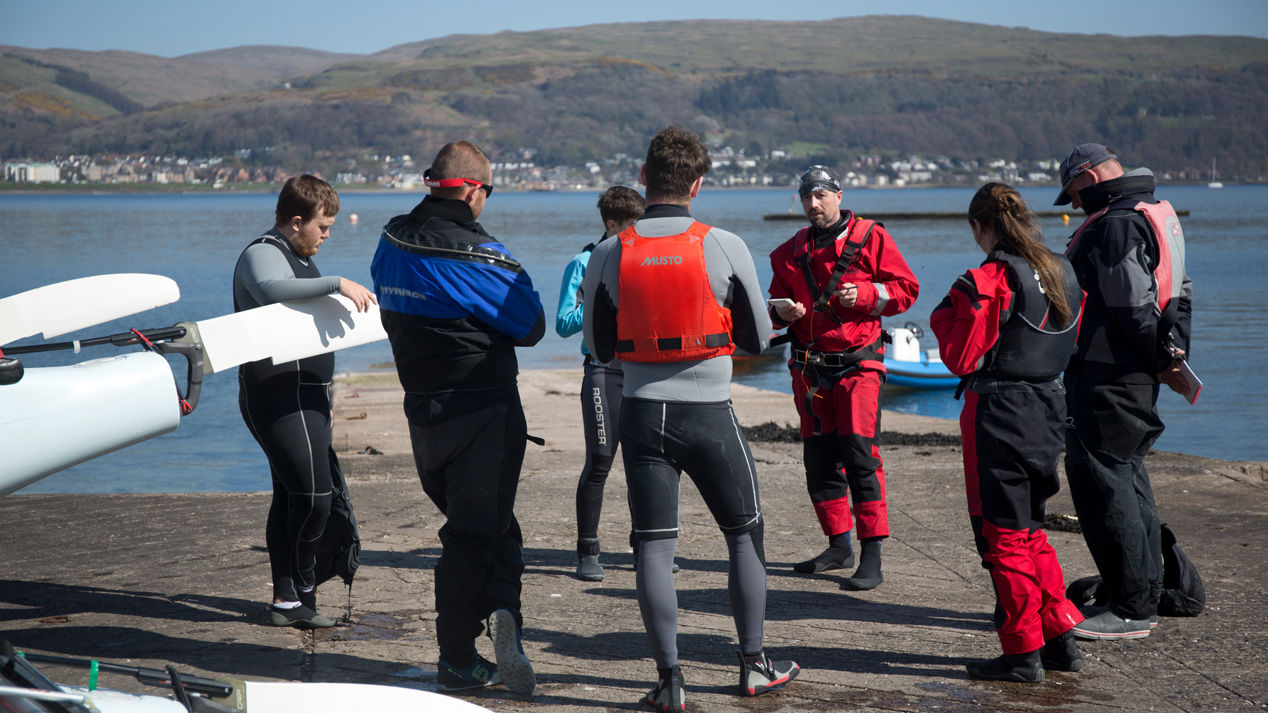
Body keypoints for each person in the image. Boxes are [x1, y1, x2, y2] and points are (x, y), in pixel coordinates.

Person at [582, 126, 798, 710]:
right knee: (744, 532)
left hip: (642, 415)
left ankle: (670, 681)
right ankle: (754, 666)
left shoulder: (609, 250)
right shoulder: (722, 244)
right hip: (710, 416)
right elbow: (755, 338)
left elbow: (600, 348)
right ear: (698, 185)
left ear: (645, 178)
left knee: (653, 547)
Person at [370, 141, 543, 694]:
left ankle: (501, 607)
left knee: (493, 525)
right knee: (473, 536)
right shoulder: (478, 254)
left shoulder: (391, 238)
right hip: (483, 413)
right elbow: (532, 325)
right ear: (473, 189)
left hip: (422, 414)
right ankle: (459, 656)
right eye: (486, 191)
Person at [929, 182, 1086, 682]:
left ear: (981, 226)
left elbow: (958, 356)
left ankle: (1022, 654)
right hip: (1048, 405)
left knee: (1005, 536)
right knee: (1031, 529)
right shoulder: (1062, 268)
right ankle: (1060, 636)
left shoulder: (991, 276)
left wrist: (947, 309)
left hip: (1000, 412)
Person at [1054, 143, 1193, 640]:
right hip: (1136, 376)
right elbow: (1179, 295)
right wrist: (1169, 358)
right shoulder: (1155, 213)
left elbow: (1130, 305)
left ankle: (1131, 609)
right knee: (1129, 479)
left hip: (1107, 378)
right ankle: (1150, 589)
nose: (1075, 206)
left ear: (1088, 178)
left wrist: (1155, 359)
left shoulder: (1113, 225)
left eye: (1074, 194)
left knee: (1103, 488)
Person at [233, 174, 376, 629]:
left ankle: (286, 601)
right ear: (296, 221)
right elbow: (270, 290)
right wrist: (337, 283)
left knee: (291, 494)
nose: (327, 235)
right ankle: (305, 585)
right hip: (273, 396)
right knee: (314, 497)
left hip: (310, 397)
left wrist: (327, 395)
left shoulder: (302, 257)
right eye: (323, 227)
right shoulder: (262, 253)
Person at [767, 165, 919, 590]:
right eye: (806, 198)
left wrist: (868, 294)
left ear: (838, 195)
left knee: (860, 456)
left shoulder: (873, 238)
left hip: (858, 366)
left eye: (820, 196)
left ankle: (872, 554)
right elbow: (771, 305)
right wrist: (781, 311)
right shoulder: (787, 252)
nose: (813, 205)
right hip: (809, 371)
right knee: (818, 459)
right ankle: (838, 545)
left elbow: (908, 289)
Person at [556, 186, 644, 582]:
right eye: (631, 227)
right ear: (612, 224)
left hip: (641, 372)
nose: (637, 234)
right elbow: (562, 323)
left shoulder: (644, 259)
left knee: (644, 464)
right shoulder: (583, 262)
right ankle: (587, 551)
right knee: (601, 461)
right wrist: (600, 301)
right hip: (602, 372)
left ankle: (645, 546)